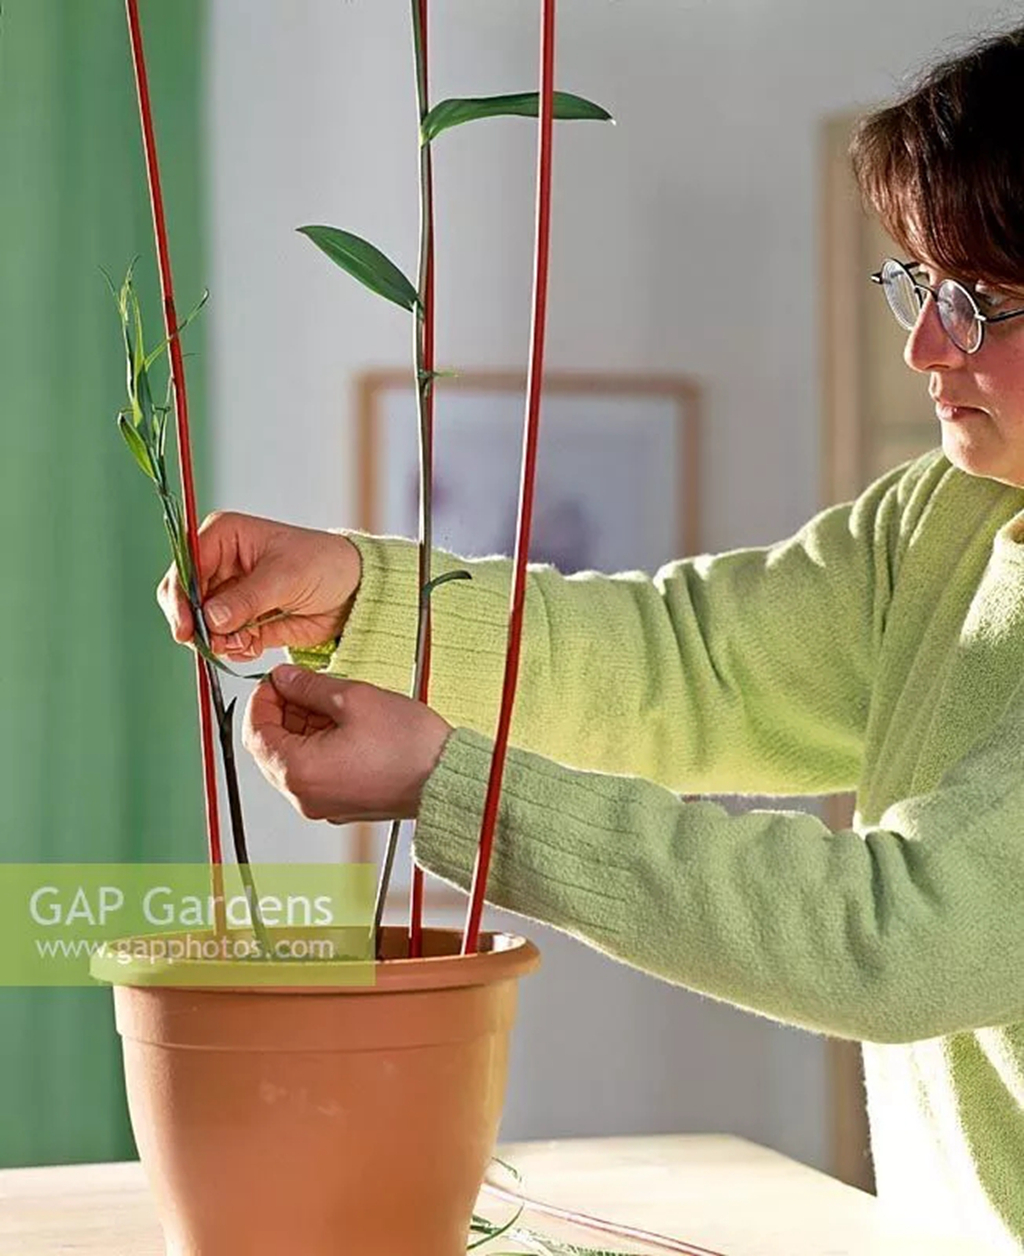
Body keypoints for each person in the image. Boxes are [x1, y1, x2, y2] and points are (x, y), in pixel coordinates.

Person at [160, 23, 1024, 1251]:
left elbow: (893, 936)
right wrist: (358, 595)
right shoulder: (949, 512)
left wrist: (446, 784)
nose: (923, 345)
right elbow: (686, 666)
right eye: (917, 282)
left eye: (979, 302)